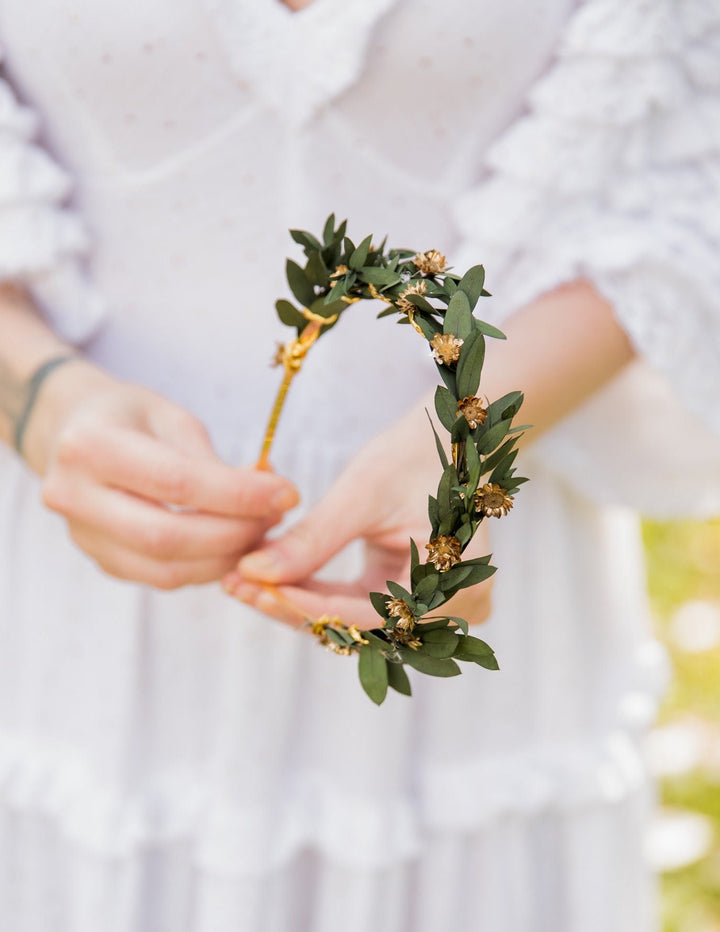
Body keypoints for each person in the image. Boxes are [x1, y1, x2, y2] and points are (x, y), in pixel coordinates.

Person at [0, 1, 719, 930]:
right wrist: (45, 401)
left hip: (480, 610)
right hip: (69, 628)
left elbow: (682, 190)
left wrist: (472, 438)